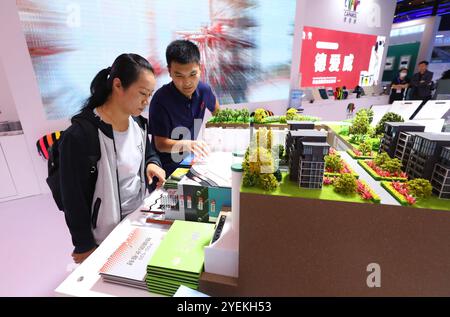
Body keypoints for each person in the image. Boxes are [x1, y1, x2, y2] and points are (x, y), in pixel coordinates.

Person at [59, 54, 166, 263]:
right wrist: (84, 245)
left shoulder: (138, 124)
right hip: (106, 234)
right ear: (118, 85)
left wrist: (153, 163)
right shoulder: (81, 136)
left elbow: (148, 152)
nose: (147, 101)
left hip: (139, 218)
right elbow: (72, 198)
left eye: (150, 94)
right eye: (143, 93)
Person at [149, 40, 220, 176]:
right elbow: (160, 144)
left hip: (192, 163)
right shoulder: (160, 100)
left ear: (200, 68)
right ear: (169, 71)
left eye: (193, 74)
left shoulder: (204, 90)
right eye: (179, 75)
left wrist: (215, 139)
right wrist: (188, 145)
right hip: (165, 171)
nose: (187, 82)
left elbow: (218, 114)